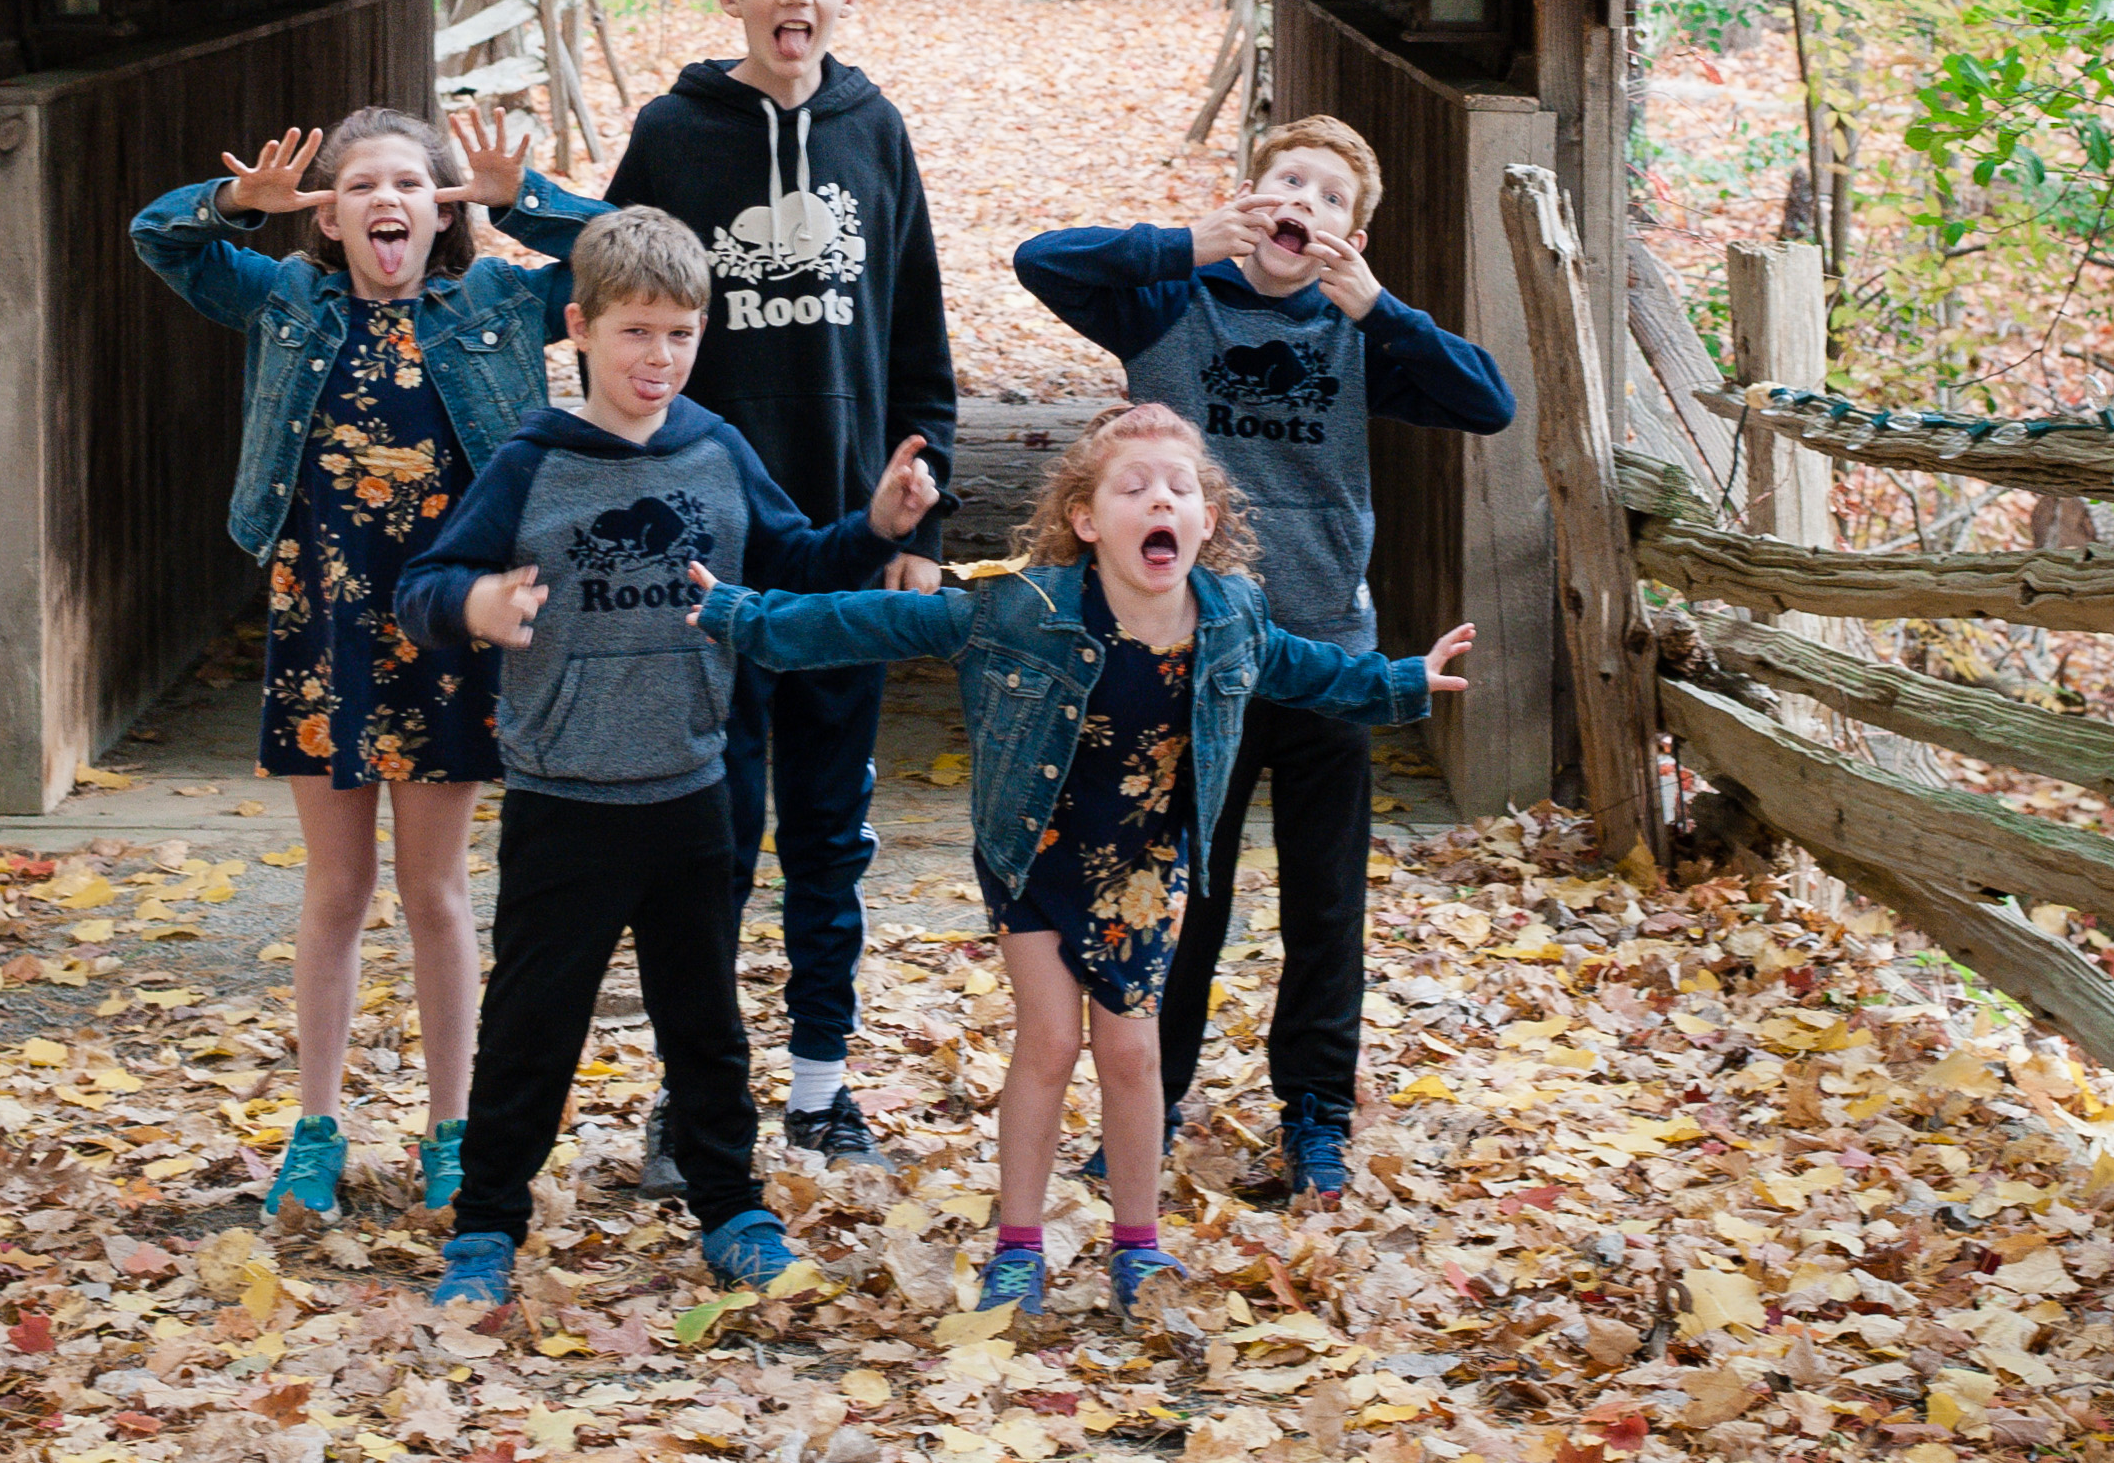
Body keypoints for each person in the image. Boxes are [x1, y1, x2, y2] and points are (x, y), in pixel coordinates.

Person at [683, 400, 1473, 1319]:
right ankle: (1019, 1244)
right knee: (1052, 1040)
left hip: (1143, 864)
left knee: (1132, 1054)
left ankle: (1137, 1244)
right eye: (1133, 488)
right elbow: (876, 622)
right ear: (1086, 521)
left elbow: (1312, 672)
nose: (1160, 500)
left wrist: (1401, 680)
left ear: (1207, 520)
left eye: (1179, 488)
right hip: (1034, 849)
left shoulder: (1233, 616)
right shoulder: (1021, 607)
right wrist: (746, 616)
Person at [394, 204, 942, 1309]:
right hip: (563, 797)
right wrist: (477, 603)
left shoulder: (716, 450)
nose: (659, 357)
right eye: (636, 332)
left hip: (695, 788)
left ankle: (732, 1208)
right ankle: (487, 1226)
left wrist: (877, 528)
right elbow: (422, 589)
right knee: (531, 1026)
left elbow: (794, 560)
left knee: (705, 1023)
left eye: (680, 334)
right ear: (580, 328)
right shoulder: (532, 464)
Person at [1012, 115, 1514, 1198]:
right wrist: (1184, 243)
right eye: (1287, 181)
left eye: (1330, 198)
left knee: (1325, 906)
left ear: (1350, 238)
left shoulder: (1355, 332)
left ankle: (1315, 1117)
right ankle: (1152, 1105)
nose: (1303, 203)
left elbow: (1488, 403)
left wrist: (1377, 307)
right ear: (1248, 198)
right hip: (1192, 659)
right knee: (1182, 894)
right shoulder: (1168, 301)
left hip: (1326, 650)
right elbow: (1039, 261)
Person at [131, 105, 601, 1227]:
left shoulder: (496, 304)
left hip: (449, 626)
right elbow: (159, 239)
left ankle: (454, 1132)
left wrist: (524, 199)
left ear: (442, 211)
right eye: (359, 187)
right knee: (336, 889)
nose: (386, 200)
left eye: (411, 185)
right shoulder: (288, 300)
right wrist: (233, 203)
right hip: (324, 623)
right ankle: (314, 1132)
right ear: (329, 217)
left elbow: (629, 260)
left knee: (435, 892)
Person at [600, 0, 957, 1178]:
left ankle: (820, 1088)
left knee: (825, 829)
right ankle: (693, 1101)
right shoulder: (672, 134)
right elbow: (613, 309)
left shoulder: (877, 131)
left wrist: (919, 521)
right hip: (708, 554)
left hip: (846, 549)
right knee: (704, 835)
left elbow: (918, 338)